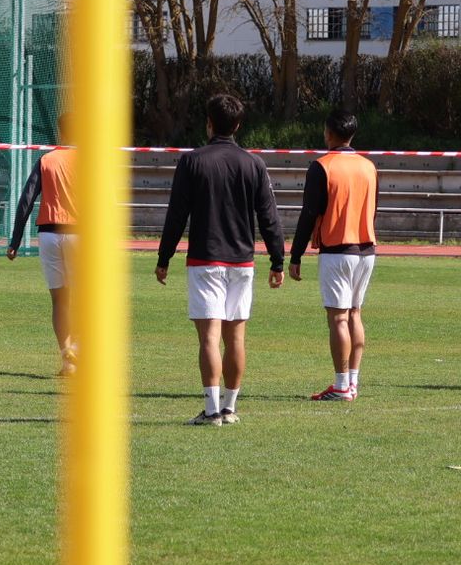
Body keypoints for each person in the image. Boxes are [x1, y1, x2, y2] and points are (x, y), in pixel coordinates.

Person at [155, 93, 286, 425]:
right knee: (236, 338)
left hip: (205, 260)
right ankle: (229, 407)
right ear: (238, 125)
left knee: (209, 338)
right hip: (242, 262)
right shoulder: (254, 163)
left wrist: (164, 256)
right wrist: (277, 260)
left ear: (208, 123)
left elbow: (176, 215)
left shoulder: (192, 161)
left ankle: (212, 410)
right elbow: (269, 216)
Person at [288, 108, 378, 401]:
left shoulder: (322, 166)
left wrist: (296, 254)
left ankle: (340, 386)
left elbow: (309, 212)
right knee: (355, 314)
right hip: (366, 248)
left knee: (338, 318)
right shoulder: (369, 167)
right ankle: (352, 382)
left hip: (338, 250)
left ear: (328, 132)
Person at [6, 114, 79, 375]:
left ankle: (67, 361)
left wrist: (14, 241)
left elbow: (26, 200)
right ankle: (78, 350)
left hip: (48, 235)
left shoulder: (47, 159)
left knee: (60, 300)